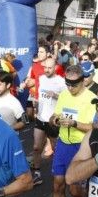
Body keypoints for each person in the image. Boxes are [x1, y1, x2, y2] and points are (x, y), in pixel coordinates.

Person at [44, 65, 97, 197]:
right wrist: (55, 120)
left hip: (81, 147)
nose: (70, 87)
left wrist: (74, 123)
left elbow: (93, 128)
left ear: (83, 81)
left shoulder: (92, 99)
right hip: (63, 144)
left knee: (74, 190)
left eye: (74, 84)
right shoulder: (65, 95)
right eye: (68, 83)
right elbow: (55, 116)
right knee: (57, 184)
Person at [31, 57, 65, 186]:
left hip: (53, 120)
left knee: (56, 148)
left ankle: (58, 171)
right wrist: (36, 110)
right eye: (45, 67)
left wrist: (56, 96)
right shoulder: (41, 78)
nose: (47, 70)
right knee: (36, 147)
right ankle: (37, 173)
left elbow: (67, 98)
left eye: (50, 68)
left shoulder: (61, 82)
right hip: (41, 118)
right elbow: (40, 97)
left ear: (55, 68)